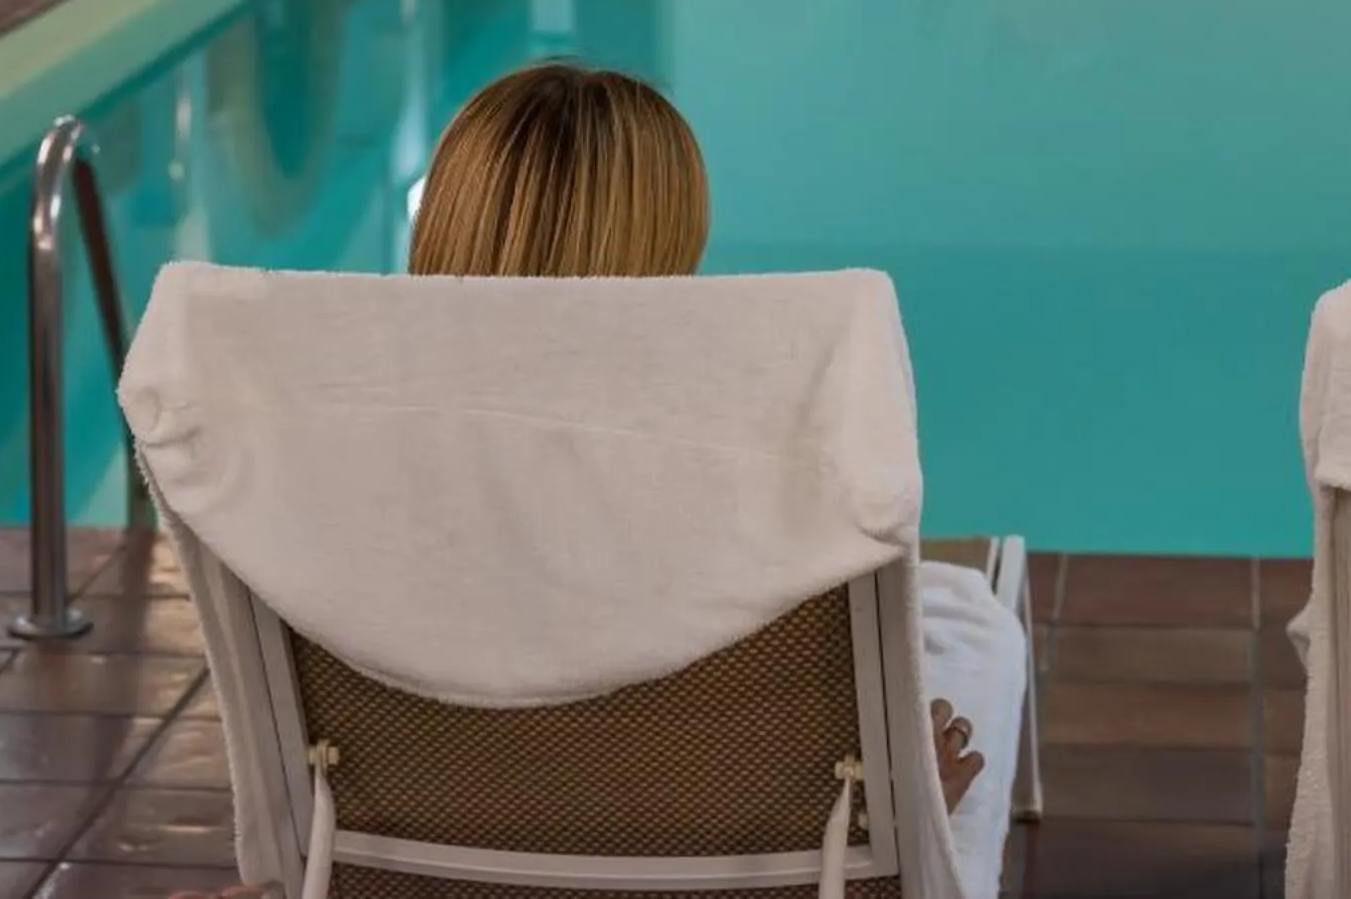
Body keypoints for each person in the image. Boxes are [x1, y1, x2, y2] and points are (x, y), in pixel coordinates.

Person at [404, 60, 996, 811]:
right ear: (671, 232)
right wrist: (905, 797)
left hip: (418, 843)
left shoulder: (329, 453)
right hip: (738, 857)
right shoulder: (751, 448)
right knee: (979, 625)